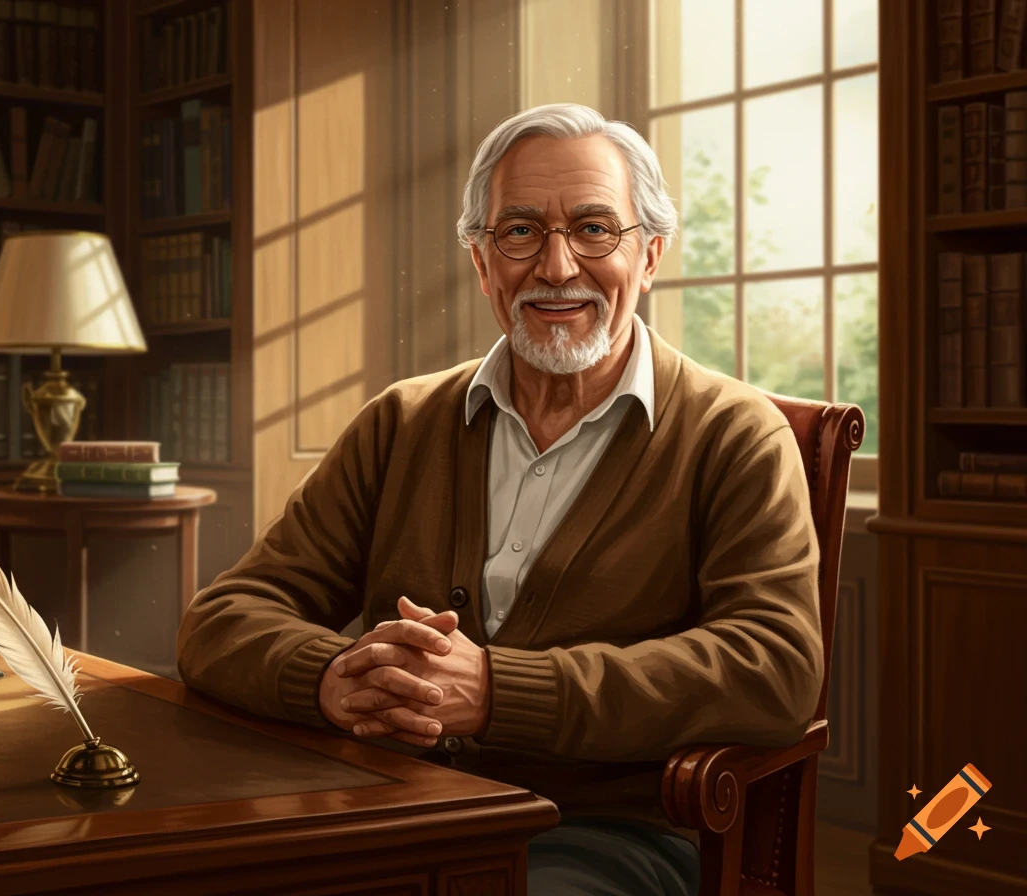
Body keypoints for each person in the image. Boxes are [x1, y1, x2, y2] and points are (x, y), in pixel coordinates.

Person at [176, 102, 823, 896]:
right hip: (387, 806)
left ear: (649, 256)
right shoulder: (401, 422)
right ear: (483, 262)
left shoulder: (735, 435)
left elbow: (775, 667)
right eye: (519, 232)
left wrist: (497, 693)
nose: (555, 267)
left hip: (599, 832)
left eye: (594, 229)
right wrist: (330, 677)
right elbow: (223, 617)